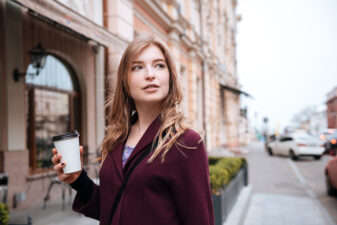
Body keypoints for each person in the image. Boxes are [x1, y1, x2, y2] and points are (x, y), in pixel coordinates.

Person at [52, 35, 215, 225]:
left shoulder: (186, 143)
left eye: (159, 65)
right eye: (137, 67)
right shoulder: (116, 140)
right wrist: (78, 180)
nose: (150, 74)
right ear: (126, 83)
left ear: (170, 77)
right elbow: (112, 208)